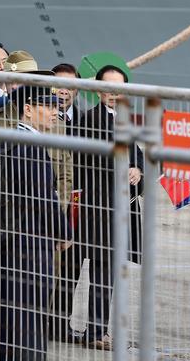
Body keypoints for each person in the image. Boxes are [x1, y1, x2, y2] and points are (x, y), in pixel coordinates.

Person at [0, 85, 72, 360]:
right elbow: (42, 196)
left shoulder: (15, 139)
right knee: (30, 313)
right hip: (31, 239)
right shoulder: (28, 145)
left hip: (16, 237)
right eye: (48, 106)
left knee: (16, 314)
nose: (55, 112)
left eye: (56, 106)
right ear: (27, 109)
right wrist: (63, 231)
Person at [72, 64, 144, 350]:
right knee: (101, 270)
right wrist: (121, 171)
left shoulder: (126, 121)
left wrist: (137, 171)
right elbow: (85, 164)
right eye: (109, 86)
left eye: (120, 87)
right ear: (99, 89)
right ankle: (95, 332)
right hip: (98, 207)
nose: (114, 92)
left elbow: (139, 157)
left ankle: (99, 329)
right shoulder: (89, 121)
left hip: (121, 207)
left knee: (111, 271)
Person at [47, 62, 82, 341]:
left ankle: (60, 324)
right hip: (50, 200)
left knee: (70, 268)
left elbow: (132, 150)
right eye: (59, 84)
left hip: (80, 204)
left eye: (70, 86)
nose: (64, 91)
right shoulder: (42, 118)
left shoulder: (87, 119)